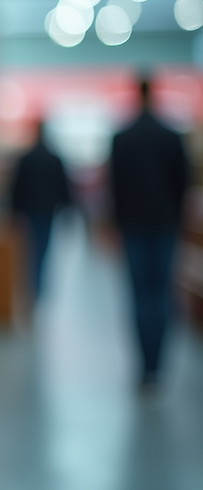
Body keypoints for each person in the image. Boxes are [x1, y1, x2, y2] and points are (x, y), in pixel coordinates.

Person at [108, 76, 191, 389]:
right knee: (161, 293)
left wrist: (114, 225)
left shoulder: (122, 137)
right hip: (165, 224)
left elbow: (114, 188)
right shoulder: (171, 136)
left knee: (139, 293)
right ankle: (159, 365)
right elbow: (183, 183)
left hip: (133, 226)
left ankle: (144, 366)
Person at [9, 120, 73, 304]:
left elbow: (16, 188)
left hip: (28, 211)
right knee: (44, 250)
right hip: (48, 211)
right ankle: (39, 290)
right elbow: (63, 186)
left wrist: (14, 211)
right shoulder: (54, 158)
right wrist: (67, 209)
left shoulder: (25, 157)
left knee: (29, 251)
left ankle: (31, 289)